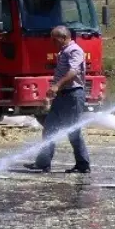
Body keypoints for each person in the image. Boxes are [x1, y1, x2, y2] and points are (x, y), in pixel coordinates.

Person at [25, 26, 91, 174]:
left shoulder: (75, 50)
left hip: (73, 95)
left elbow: (74, 71)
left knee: (73, 130)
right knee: (49, 127)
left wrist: (57, 86)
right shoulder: (63, 52)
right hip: (62, 95)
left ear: (63, 37)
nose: (52, 43)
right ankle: (43, 163)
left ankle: (83, 165)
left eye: (54, 40)